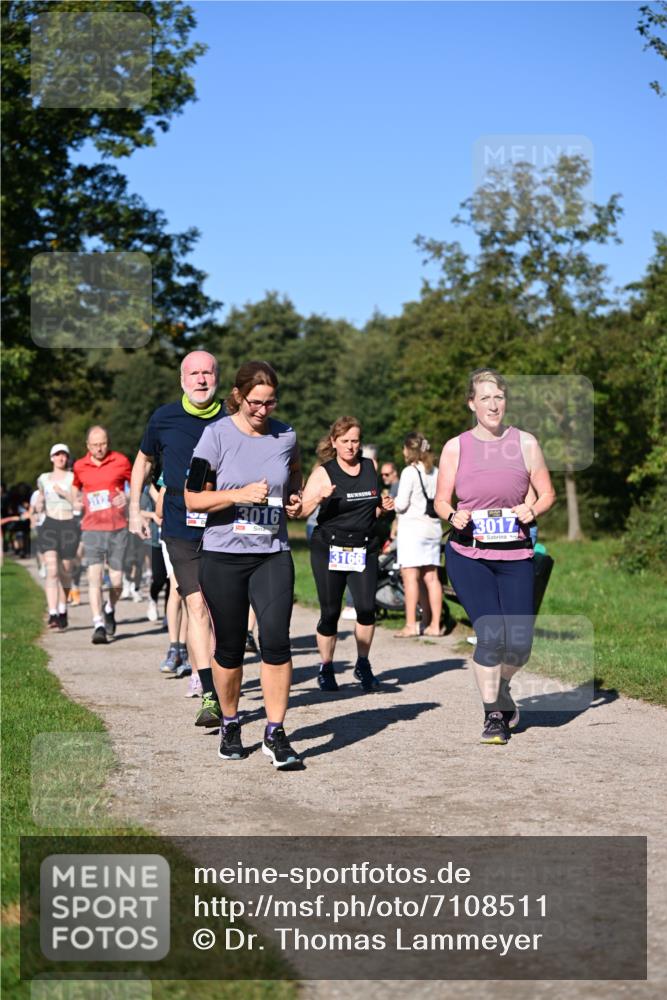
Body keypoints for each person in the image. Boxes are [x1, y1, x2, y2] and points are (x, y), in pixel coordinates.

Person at [184, 360, 303, 768]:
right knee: (231, 648)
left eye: (270, 403)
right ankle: (231, 723)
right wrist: (238, 495)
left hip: (272, 553)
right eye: (255, 402)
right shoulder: (215, 435)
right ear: (238, 396)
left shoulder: (286, 435)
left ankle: (275, 732)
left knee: (276, 641)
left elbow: (293, 477)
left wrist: (295, 500)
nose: (263, 411)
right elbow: (193, 498)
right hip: (224, 556)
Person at [435, 367, 556, 745]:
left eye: (498, 397)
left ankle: (501, 686)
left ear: (506, 402)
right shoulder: (456, 447)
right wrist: (452, 515)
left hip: (515, 554)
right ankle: (493, 715)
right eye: (484, 398)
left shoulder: (526, 443)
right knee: (490, 634)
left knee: (519, 644)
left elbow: (548, 494)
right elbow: (441, 500)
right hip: (468, 554)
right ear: (472, 404)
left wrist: (532, 509)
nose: (492, 404)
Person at [129, 350, 226, 726]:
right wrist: (134, 509)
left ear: (217, 377)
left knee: (221, 608)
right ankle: (209, 695)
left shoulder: (232, 417)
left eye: (208, 373)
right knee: (196, 605)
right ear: (182, 380)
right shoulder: (164, 417)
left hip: (223, 524)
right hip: (179, 525)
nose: (201, 380)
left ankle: (222, 675)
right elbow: (143, 461)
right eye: (194, 373)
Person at [300, 416, 394, 693]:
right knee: (330, 612)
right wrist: (319, 497)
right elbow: (301, 511)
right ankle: (326, 667)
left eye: (355, 441)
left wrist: (383, 507)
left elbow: (371, 509)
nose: (351, 446)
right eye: (345, 441)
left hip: (363, 547)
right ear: (334, 442)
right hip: (329, 547)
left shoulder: (370, 466)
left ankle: (363, 663)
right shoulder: (324, 472)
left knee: (366, 609)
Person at [73, 428, 132, 644]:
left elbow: (136, 485)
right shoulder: (79, 465)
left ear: (108, 442)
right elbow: (75, 488)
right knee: (94, 577)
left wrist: (127, 496)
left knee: (116, 580)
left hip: (118, 528)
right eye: (95, 445)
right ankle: (98, 624)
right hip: (92, 528)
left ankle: (109, 608)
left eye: (103, 443)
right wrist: (76, 500)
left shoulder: (121, 461)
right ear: (88, 445)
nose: (99, 448)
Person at [393, 433, 444, 638]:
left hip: (412, 530)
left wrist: (390, 502)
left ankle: (410, 625)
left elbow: (401, 504)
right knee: (431, 577)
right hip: (433, 529)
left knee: (410, 577)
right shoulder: (436, 472)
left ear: (410, 450)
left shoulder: (409, 472)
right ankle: (434, 624)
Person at [37, 443, 81, 630]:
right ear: (51, 458)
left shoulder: (73, 478)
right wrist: (38, 505)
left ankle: (63, 609)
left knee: (65, 571)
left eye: (64, 455)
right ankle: (53, 613)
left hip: (69, 525)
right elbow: (40, 497)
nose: (60, 458)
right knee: (52, 570)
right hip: (49, 525)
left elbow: (79, 503)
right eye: (57, 455)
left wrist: (64, 494)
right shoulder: (43, 478)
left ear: (67, 458)